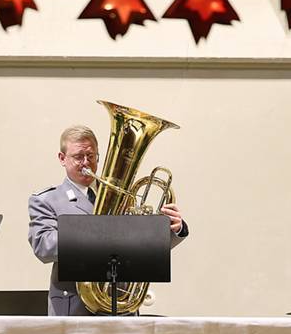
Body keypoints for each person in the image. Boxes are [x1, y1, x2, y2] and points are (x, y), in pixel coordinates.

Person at [28, 124, 188, 316]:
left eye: (91, 156)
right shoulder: (47, 200)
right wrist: (101, 232)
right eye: (79, 157)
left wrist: (172, 229)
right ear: (62, 159)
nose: (86, 163)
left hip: (124, 308)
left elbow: (142, 246)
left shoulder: (122, 196)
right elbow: (44, 246)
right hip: (75, 309)